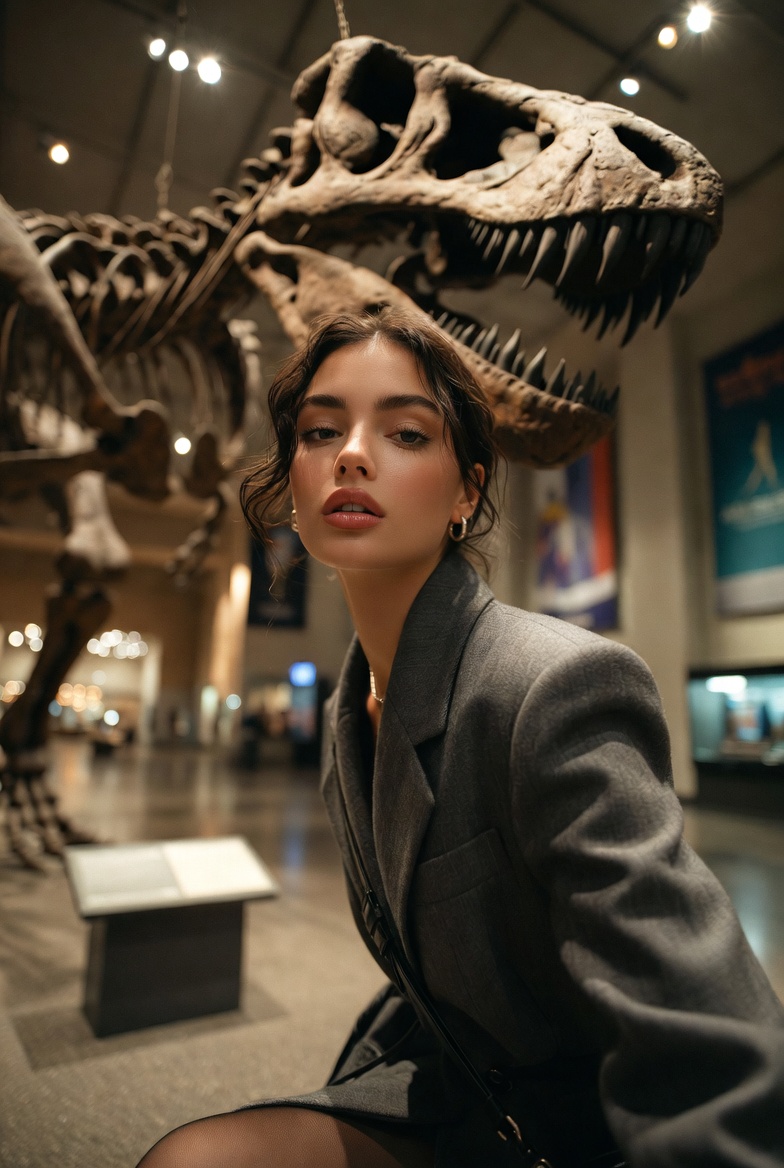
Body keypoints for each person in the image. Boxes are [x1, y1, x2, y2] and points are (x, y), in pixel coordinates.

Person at [137, 309, 784, 1168]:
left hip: (576, 1120)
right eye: (320, 430)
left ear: (468, 490)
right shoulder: (353, 703)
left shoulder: (552, 684)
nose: (351, 454)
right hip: (459, 1080)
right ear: (293, 475)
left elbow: (711, 1042)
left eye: (405, 432)